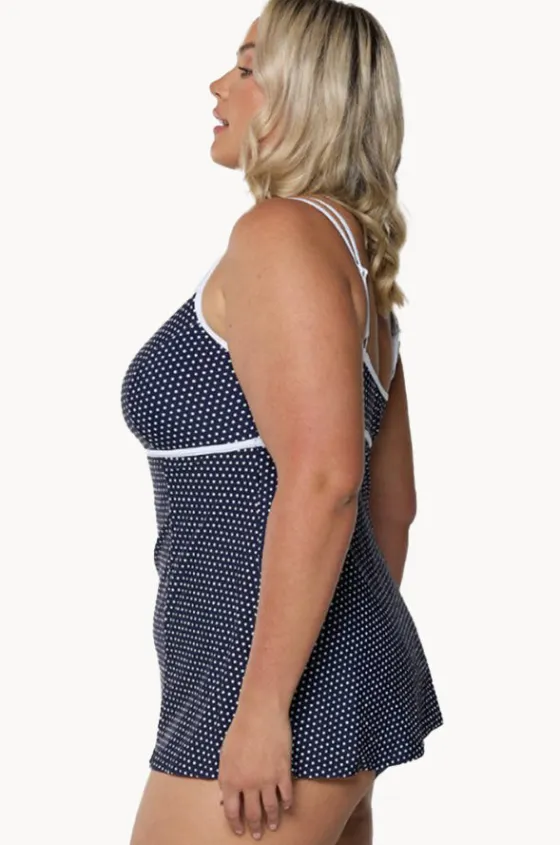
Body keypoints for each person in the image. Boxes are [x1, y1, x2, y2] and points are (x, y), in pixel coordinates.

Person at [123, 2, 444, 843]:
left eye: (247, 67)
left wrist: (267, 704)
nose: (218, 85)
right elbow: (394, 505)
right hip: (313, 675)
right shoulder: (352, 259)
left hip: (267, 686)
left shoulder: (281, 234)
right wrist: (344, 661)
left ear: (309, 93)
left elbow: (329, 480)